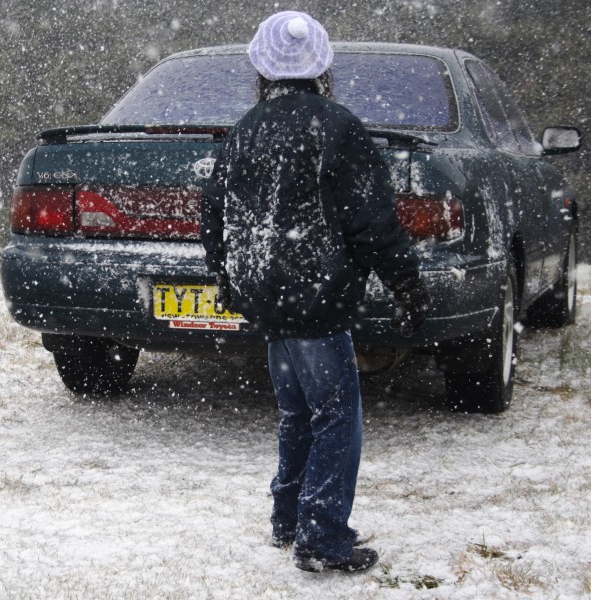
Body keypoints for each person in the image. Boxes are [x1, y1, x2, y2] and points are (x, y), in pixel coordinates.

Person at [201, 11, 430, 573]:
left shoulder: (245, 130)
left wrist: (228, 279)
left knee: (297, 414)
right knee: (335, 417)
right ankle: (323, 539)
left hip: (269, 302)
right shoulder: (337, 127)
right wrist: (408, 287)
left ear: (262, 67)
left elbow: (214, 216)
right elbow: (372, 221)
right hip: (319, 302)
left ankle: (288, 520)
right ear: (322, 67)